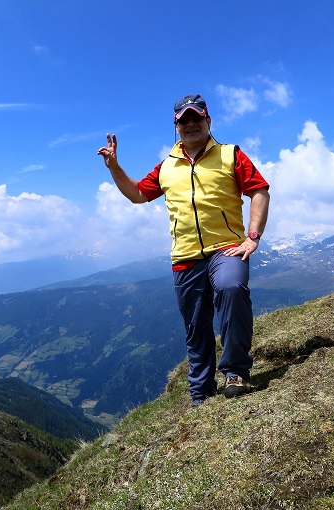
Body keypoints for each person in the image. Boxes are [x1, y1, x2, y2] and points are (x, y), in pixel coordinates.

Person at [97, 94, 270, 406]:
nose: (191, 124)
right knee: (195, 326)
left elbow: (259, 190)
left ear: (208, 121)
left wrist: (253, 236)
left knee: (231, 288)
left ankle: (236, 373)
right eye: (184, 120)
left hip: (226, 249)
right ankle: (201, 393)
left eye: (196, 117)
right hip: (185, 257)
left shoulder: (230, 154)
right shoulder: (167, 166)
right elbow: (137, 194)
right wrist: (114, 167)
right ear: (176, 126)